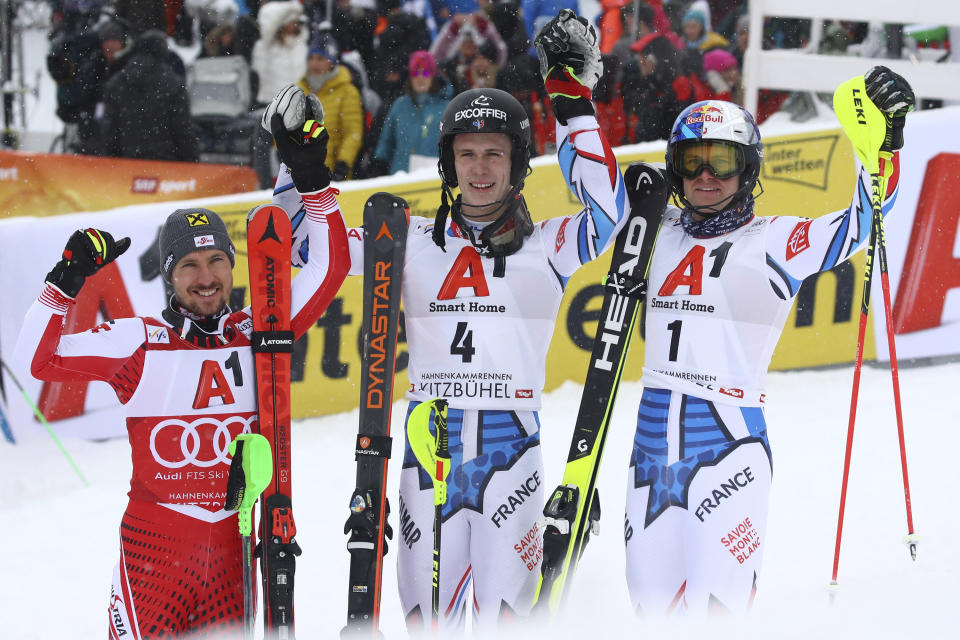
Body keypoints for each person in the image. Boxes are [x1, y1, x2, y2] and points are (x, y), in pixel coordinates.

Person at [274, 9, 626, 630]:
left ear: (518, 163)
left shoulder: (549, 244)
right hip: (424, 445)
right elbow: (307, 248)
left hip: (511, 447)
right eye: (468, 154)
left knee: (508, 621)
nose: (481, 168)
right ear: (448, 162)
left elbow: (609, 217)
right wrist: (298, 169)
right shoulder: (404, 239)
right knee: (423, 620)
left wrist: (573, 106)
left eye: (495, 154)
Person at [14, 94, 350, 637]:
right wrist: (65, 281)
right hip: (153, 559)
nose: (206, 276)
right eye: (189, 265)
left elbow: (330, 268)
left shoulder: (258, 331)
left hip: (233, 554)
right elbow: (40, 359)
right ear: (169, 278)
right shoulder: (139, 343)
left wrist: (313, 181)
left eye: (217, 259)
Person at [623, 67, 915, 615]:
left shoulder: (778, 238)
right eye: (692, 161)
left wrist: (886, 145)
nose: (706, 175)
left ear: (748, 168)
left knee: (718, 615)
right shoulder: (652, 231)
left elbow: (862, 218)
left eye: (724, 161)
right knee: (651, 616)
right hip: (648, 454)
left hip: (729, 447)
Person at [102, 29, 199, 162]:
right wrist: (192, 161)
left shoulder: (117, 82)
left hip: (125, 164)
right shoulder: (173, 84)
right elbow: (182, 129)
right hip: (165, 165)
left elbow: (110, 130)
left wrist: (111, 160)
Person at [299, 30, 364, 181]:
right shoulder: (298, 90)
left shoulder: (347, 91)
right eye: (311, 58)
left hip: (332, 176)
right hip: (299, 176)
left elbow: (352, 133)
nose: (314, 63)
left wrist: (343, 163)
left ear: (332, 62)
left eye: (321, 58)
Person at [374, 50, 453, 174]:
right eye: (416, 72)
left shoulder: (447, 108)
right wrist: (379, 163)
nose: (420, 77)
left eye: (425, 72)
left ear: (433, 76)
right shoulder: (399, 105)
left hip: (434, 178)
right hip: (401, 176)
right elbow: (386, 141)